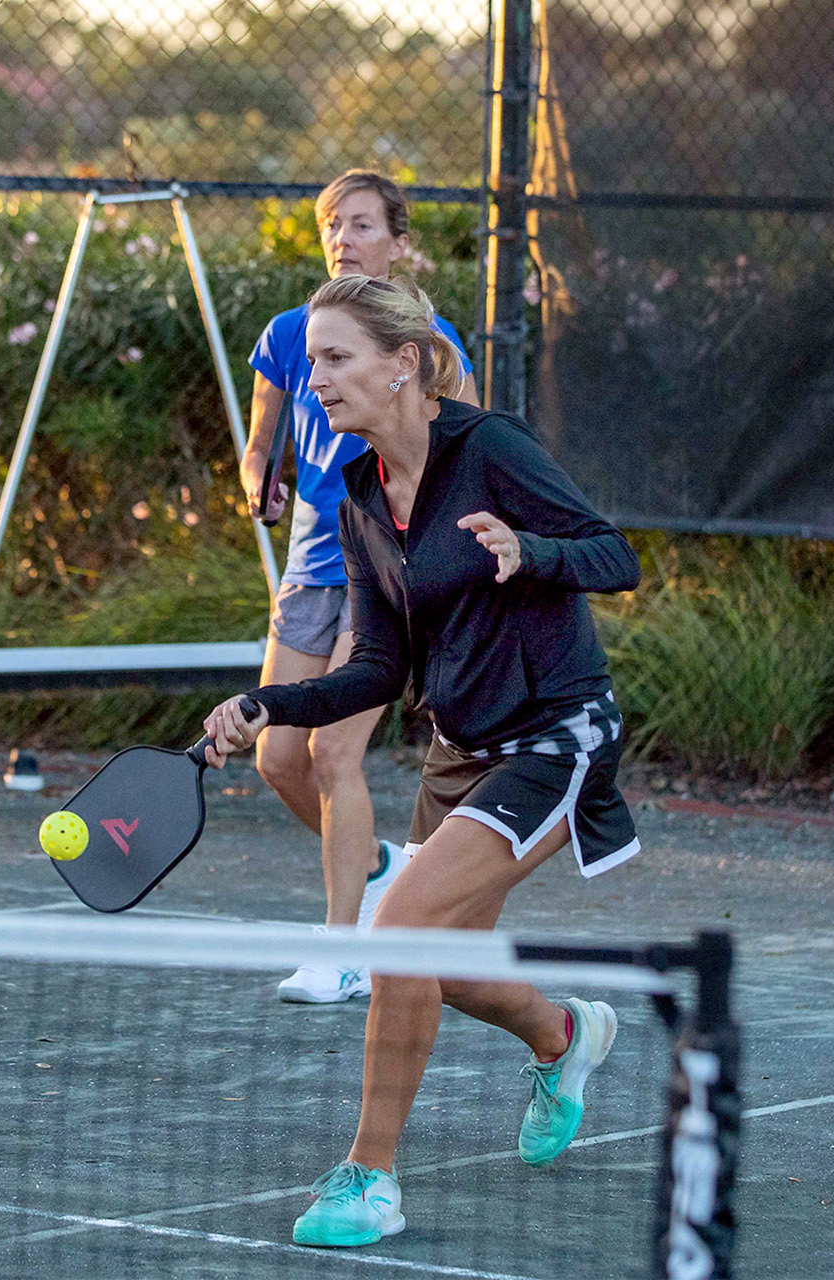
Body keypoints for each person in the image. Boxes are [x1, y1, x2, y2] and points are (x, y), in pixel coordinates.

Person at [204, 274, 643, 1247]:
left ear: (403, 362)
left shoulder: (492, 447)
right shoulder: (357, 490)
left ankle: (368, 1175)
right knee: (436, 963)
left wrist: (531, 549)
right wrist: (264, 702)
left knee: (396, 925)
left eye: (335, 358)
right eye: (310, 360)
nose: (314, 379)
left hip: (554, 734)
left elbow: (616, 554)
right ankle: (563, 1034)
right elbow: (379, 664)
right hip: (459, 749)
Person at [242, 170, 475, 1004]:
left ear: (398, 240)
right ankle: (376, 866)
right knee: (277, 760)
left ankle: (345, 948)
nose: (345, 236)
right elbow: (261, 439)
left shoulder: (433, 346)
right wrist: (257, 475)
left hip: (384, 565)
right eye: (334, 223)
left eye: (364, 224)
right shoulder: (288, 332)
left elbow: (463, 456)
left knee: (334, 750)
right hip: (311, 561)